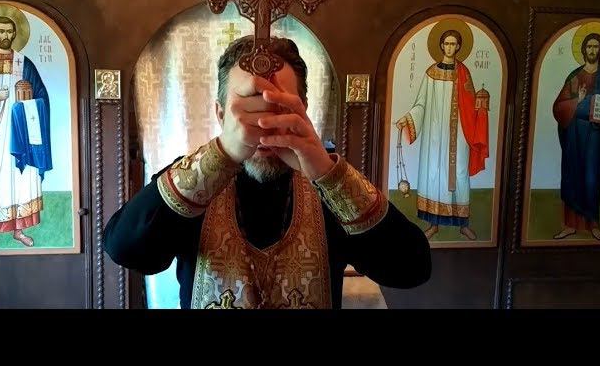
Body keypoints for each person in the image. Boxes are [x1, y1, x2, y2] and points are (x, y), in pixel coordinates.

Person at [104, 36, 431, 309]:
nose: (263, 124)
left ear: (303, 111)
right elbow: (127, 250)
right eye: (247, 108)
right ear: (221, 114)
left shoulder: (330, 185)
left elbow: (411, 268)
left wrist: (327, 173)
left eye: (279, 108)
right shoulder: (194, 182)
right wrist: (222, 154)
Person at [396, 30, 488, 241]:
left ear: (458, 47)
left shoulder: (463, 72)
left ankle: (463, 225)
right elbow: (421, 103)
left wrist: (480, 108)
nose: (449, 47)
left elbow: (471, 104)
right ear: (441, 45)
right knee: (434, 174)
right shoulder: (431, 73)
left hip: (460, 133)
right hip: (435, 135)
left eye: (453, 44)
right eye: (446, 43)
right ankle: (433, 225)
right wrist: (407, 118)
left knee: (460, 173)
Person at [0, 14, 52, 248]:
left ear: (15, 33)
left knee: (20, 178)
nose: (5, 35)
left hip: (21, 131)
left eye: (9, 31)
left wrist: (28, 100)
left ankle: (19, 230)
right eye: (1, 31)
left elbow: (41, 96)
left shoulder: (24, 63)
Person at [553, 33, 600, 241]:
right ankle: (570, 225)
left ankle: (593, 223)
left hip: (596, 134)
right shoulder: (575, 76)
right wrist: (578, 101)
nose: (592, 50)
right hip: (574, 133)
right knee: (572, 175)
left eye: (596, 46)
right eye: (589, 46)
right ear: (584, 49)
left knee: (591, 178)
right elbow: (558, 107)